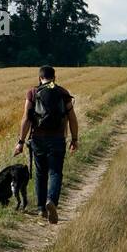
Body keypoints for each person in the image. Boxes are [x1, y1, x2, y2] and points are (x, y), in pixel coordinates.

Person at [14, 65, 78, 223]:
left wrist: (20, 142)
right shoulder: (62, 92)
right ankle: (52, 201)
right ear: (55, 78)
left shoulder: (33, 92)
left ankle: (42, 209)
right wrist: (74, 139)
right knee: (55, 172)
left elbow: (26, 119)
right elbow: (72, 118)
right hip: (57, 139)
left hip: (38, 139)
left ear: (39, 78)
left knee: (40, 174)